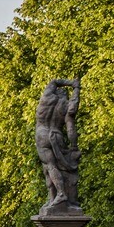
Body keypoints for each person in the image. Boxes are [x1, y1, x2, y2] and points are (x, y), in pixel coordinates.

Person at [34, 78, 82, 212]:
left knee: (49, 166)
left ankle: (60, 194)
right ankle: (53, 199)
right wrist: (76, 90)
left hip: (42, 135)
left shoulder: (47, 96)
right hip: (57, 135)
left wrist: (72, 83)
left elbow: (54, 81)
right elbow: (71, 129)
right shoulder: (66, 106)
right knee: (54, 167)